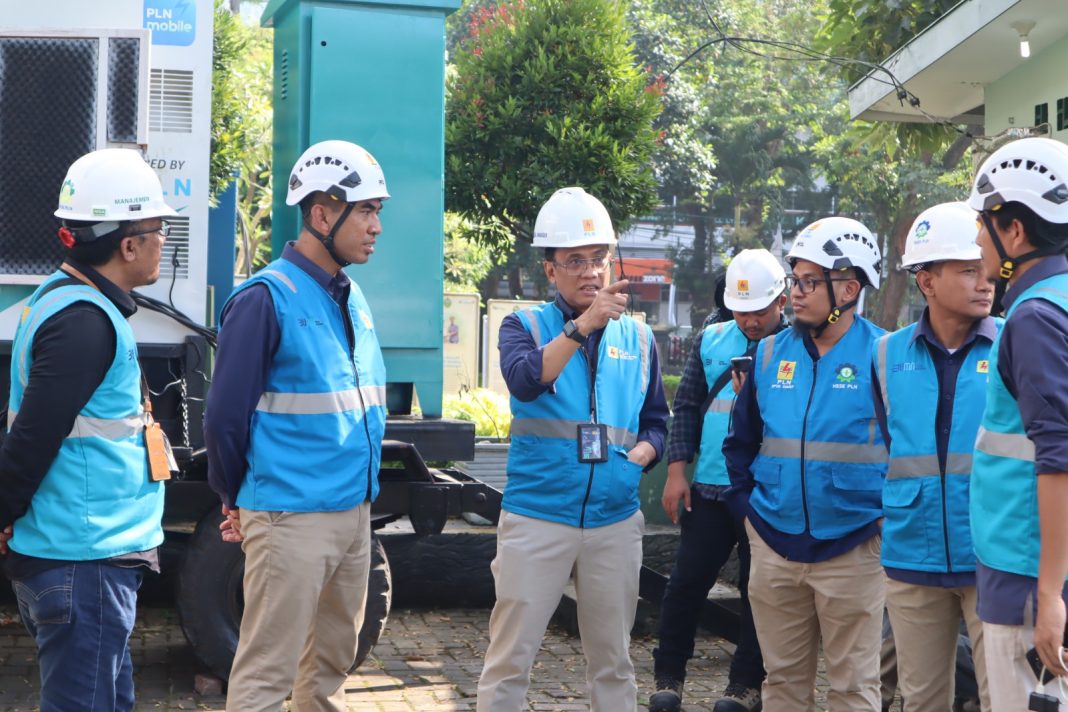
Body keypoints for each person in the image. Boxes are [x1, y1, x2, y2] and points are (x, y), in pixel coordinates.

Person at [204, 139, 390, 711]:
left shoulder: (351, 294)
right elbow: (224, 418)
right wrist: (233, 497)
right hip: (289, 519)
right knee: (267, 673)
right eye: (365, 210)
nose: (376, 226)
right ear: (321, 213)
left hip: (353, 515)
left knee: (331, 665)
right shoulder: (265, 298)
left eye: (377, 211)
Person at [477, 186, 669, 712]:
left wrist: (643, 457)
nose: (590, 271)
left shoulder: (640, 339)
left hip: (614, 520)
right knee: (510, 658)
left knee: (614, 662)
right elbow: (525, 381)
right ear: (551, 270)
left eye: (598, 258)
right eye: (576, 260)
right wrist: (584, 326)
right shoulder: (524, 326)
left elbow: (656, 422)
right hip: (538, 517)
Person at [0, 148, 176, 711]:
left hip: (81, 557)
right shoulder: (84, 323)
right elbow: (32, 441)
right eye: (157, 228)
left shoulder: (60, 302)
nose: (162, 241)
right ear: (128, 244)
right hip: (83, 561)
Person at [723, 216, 887, 711]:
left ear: (849, 287)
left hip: (853, 549)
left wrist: (880, 527)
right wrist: (750, 518)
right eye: (795, 279)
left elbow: (907, 452)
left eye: (810, 281)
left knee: (854, 688)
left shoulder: (885, 355)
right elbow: (740, 444)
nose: (795, 292)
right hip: (774, 547)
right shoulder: (770, 354)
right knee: (782, 685)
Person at [872, 202, 998, 712]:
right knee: (922, 700)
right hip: (911, 555)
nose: (985, 281)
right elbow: (886, 444)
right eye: (969, 271)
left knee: (1006, 698)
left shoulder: (1013, 343)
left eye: (985, 269)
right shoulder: (886, 355)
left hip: (995, 554)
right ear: (926, 281)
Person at [649, 249, 787, 712]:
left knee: (758, 593)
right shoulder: (711, 340)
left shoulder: (797, 350)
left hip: (767, 494)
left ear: (781, 301)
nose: (750, 321)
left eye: (760, 312)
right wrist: (675, 473)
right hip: (709, 487)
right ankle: (668, 677)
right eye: (741, 312)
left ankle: (744, 687)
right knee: (686, 583)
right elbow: (686, 406)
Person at [966, 136, 1068, 708]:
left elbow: (1059, 455)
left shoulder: (1034, 318)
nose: (977, 242)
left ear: (1015, 232)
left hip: (1028, 569)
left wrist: (1049, 594)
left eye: (984, 226)